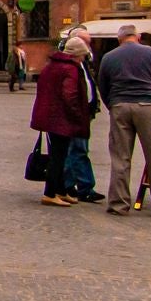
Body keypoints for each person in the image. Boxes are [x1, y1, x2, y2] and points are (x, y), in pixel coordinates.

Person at [98, 25, 151, 218]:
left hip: (120, 105)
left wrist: (112, 105)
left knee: (120, 157)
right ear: (138, 37)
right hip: (148, 105)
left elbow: (102, 85)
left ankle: (118, 204)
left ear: (119, 39)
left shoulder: (109, 57)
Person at [29, 39, 91, 205]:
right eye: (83, 55)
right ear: (77, 54)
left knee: (60, 155)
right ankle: (50, 193)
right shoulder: (70, 69)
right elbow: (69, 95)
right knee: (58, 157)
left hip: (51, 116)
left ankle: (61, 190)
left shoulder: (51, 66)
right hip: (61, 118)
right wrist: (77, 115)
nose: (84, 59)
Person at [62, 34, 104, 203]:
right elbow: (69, 95)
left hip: (84, 113)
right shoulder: (70, 67)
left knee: (78, 150)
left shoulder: (83, 63)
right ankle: (78, 186)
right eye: (86, 42)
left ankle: (75, 185)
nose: (89, 46)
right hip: (76, 116)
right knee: (77, 150)